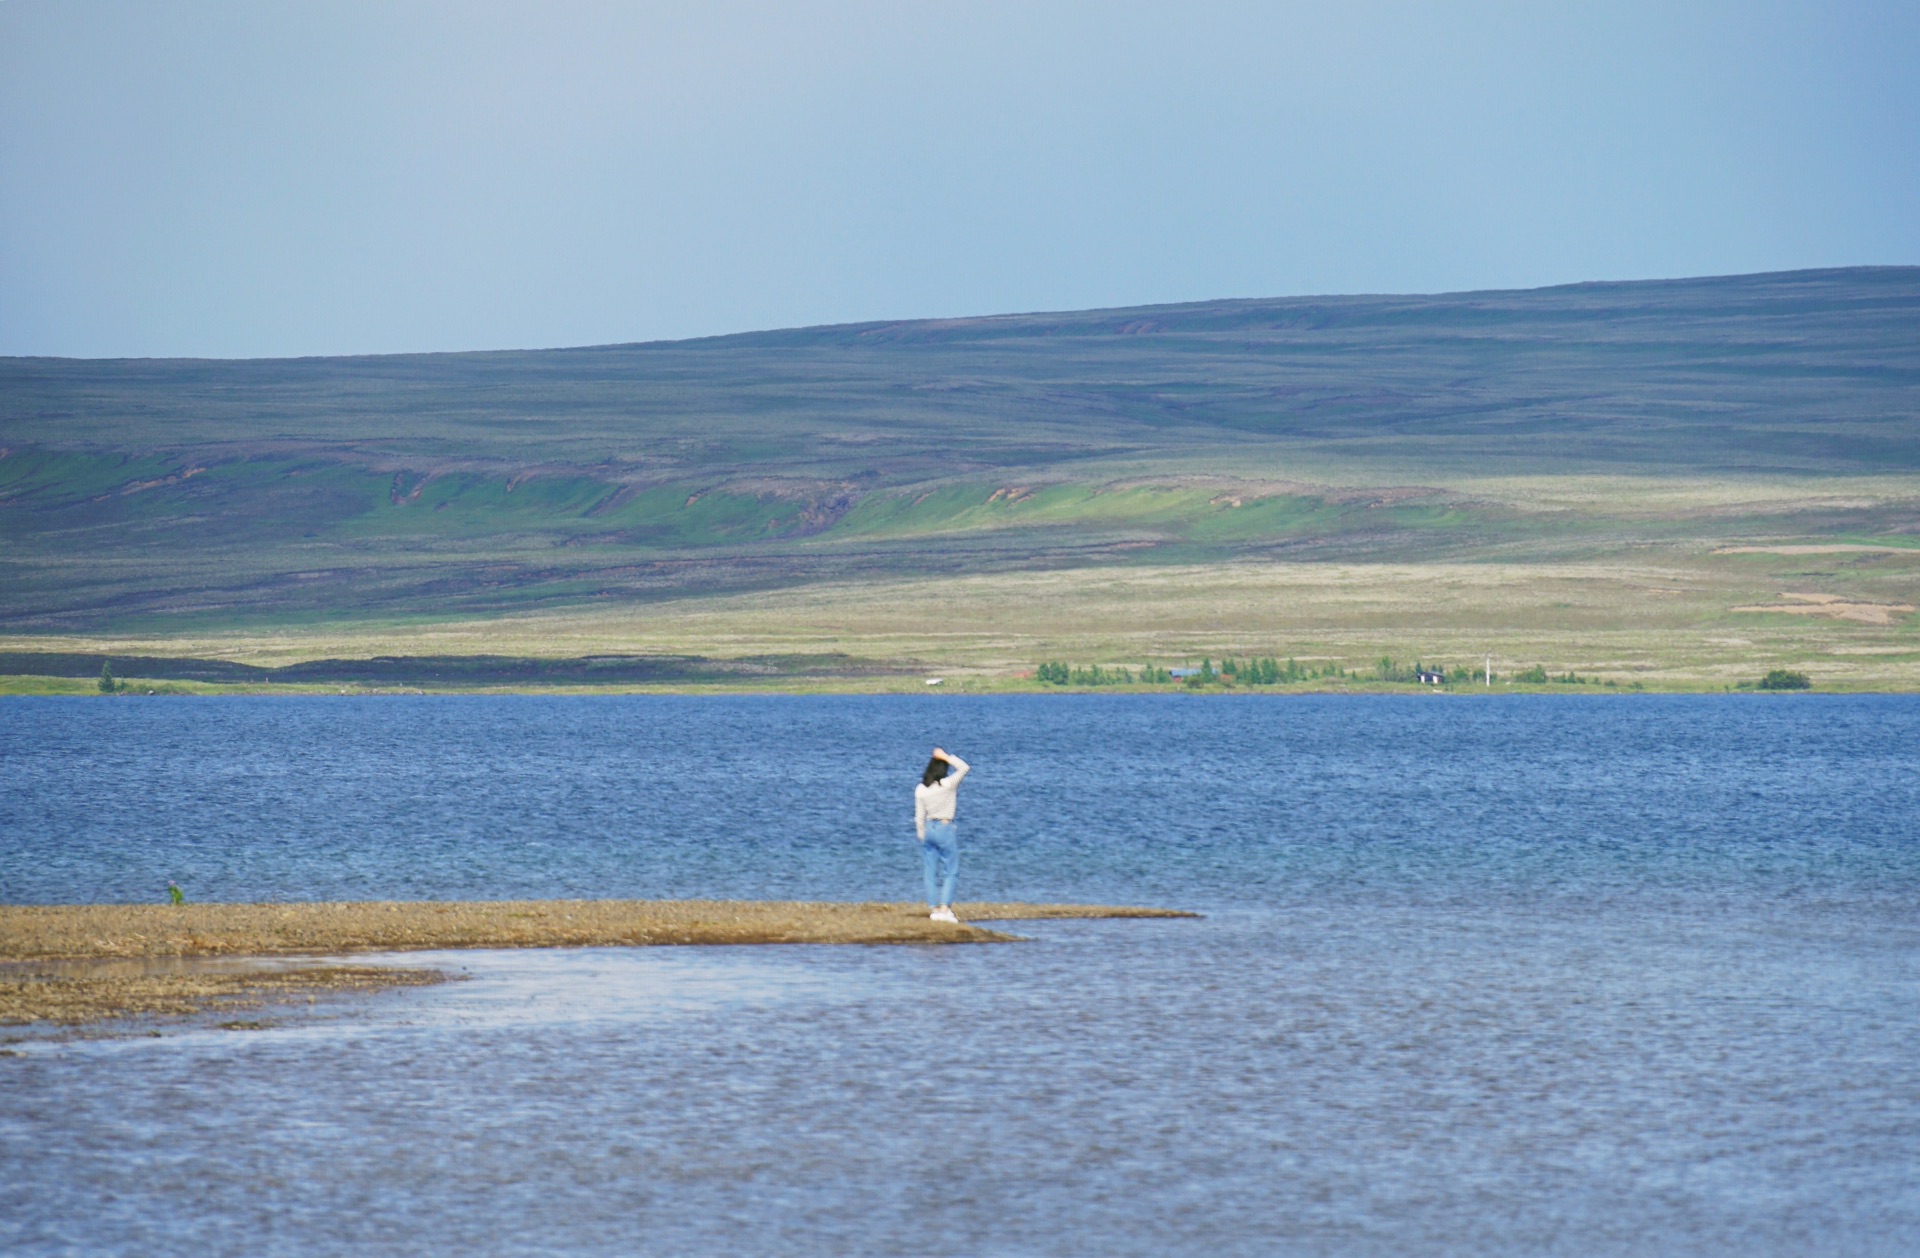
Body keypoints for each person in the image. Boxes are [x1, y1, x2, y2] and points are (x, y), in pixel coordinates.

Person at [914, 746, 970, 923]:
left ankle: (933, 908)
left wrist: (921, 834)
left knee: (930, 871)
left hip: (929, 828)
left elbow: (919, 816)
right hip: (945, 827)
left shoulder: (921, 789)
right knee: (950, 870)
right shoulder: (947, 785)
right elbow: (964, 767)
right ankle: (945, 908)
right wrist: (945, 756)